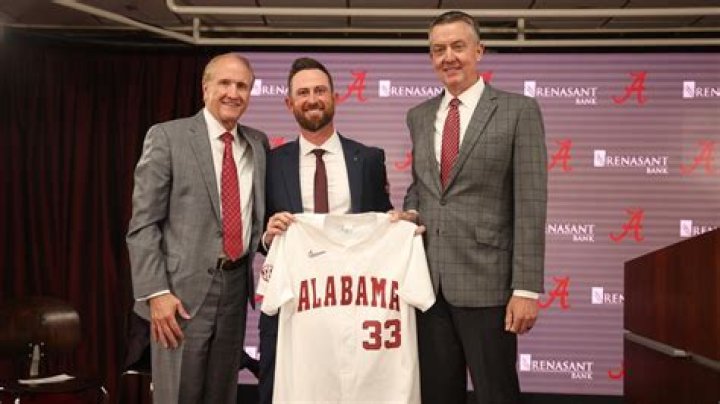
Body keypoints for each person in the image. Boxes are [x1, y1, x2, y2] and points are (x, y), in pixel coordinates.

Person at [400, 10, 548, 404]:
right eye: (438, 49)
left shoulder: (519, 111)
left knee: (496, 394)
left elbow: (531, 202)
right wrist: (411, 212)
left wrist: (526, 288)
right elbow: (422, 187)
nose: (448, 57)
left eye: (457, 47)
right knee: (436, 395)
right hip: (428, 287)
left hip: (490, 287)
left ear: (478, 51)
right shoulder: (418, 116)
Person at [126, 52, 268, 404]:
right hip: (179, 295)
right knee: (179, 395)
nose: (233, 93)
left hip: (236, 289)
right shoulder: (168, 137)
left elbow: (257, 219)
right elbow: (143, 224)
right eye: (224, 83)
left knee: (222, 394)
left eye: (242, 86)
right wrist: (156, 293)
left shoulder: (258, 144)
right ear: (205, 88)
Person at [258, 57, 393, 404]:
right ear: (289, 103)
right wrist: (267, 236)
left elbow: (382, 224)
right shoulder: (270, 163)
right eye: (302, 93)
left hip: (355, 303)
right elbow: (258, 231)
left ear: (335, 96)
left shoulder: (369, 159)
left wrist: (398, 225)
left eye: (319, 90)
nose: (312, 99)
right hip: (294, 303)